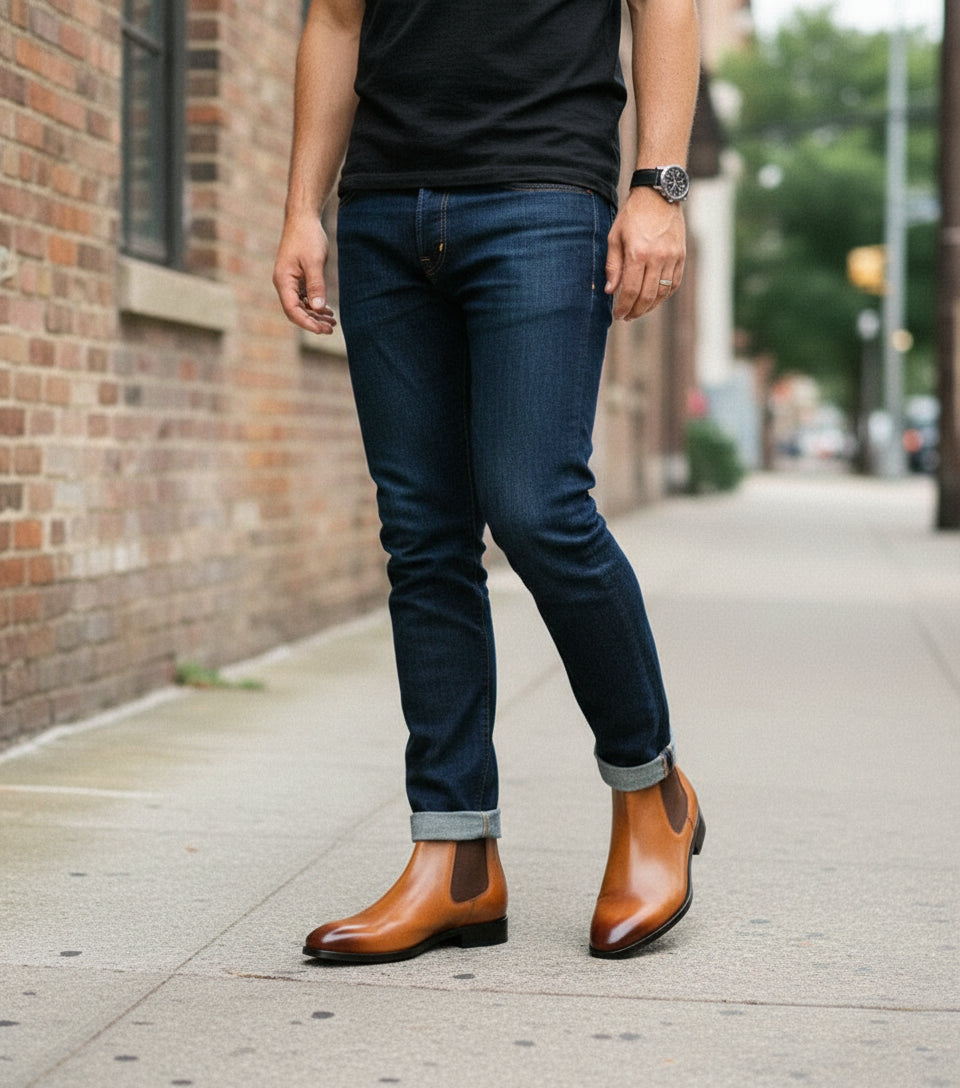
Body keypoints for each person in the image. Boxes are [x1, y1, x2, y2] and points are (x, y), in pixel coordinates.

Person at [273, 0, 704, 963]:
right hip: (383, 208)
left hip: (542, 195)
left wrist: (659, 185)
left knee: (537, 506)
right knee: (423, 539)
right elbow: (335, 20)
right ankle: (456, 859)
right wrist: (303, 207)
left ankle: (652, 793)